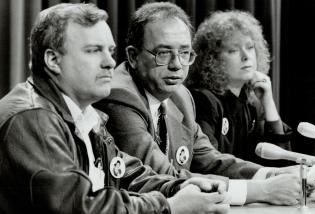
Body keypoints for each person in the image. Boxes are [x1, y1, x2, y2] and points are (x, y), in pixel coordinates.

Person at [0, 3, 230, 214]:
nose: (110, 62)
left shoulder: (84, 114)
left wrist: (179, 186)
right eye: (93, 50)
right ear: (53, 60)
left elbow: (123, 173)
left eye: (109, 51)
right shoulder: (34, 118)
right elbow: (78, 206)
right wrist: (169, 206)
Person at [95, 1, 303, 206]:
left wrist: (269, 174)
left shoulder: (181, 96)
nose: (177, 65)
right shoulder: (119, 95)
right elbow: (160, 176)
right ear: (133, 56)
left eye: (184, 53)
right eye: (163, 53)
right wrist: (258, 190)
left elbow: (209, 159)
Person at [186, 10, 292, 166]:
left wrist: (268, 103)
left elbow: (282, 162)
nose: (246, 56)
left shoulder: (252, 102)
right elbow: (207, 165)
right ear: (212, 59)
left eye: (250, 47)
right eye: (233, 50)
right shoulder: (203, 100)